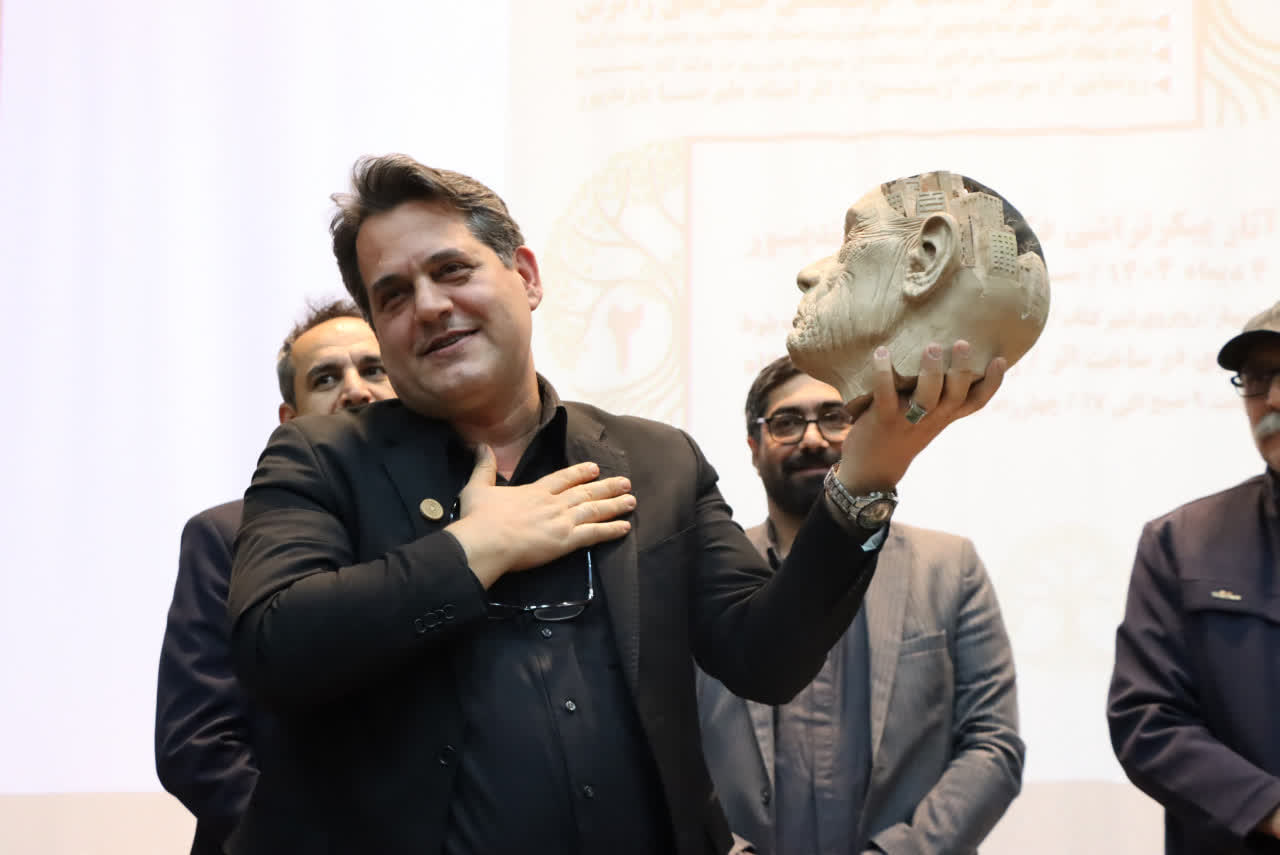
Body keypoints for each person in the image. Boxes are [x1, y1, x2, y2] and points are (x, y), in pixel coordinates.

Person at [224, 154, 1008, 855]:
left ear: (526, 275)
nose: (428, 305)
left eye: (452, 270)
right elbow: (272, 644)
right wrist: (472, 552)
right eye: (393, 294)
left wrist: (870, 471)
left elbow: (765, 656)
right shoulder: (322, 458)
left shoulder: (654, 461)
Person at [697, 355, 1023, 855]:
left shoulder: (949, 568)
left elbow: (993, 744)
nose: (812, 439)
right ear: (754, 448)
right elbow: (667, 742)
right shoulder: (706, 578)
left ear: (866, 430)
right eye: (786, 422)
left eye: (835, 417)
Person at [154, 299, 395, 855]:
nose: (356, 390)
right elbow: (198, 744)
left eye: (374, 369)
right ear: (291, 419)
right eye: (326, 378)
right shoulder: (225, 536)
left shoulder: (460, 528)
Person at [1108, 298, 1280, 855]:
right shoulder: (1180, 542)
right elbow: (1146, 721)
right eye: (1258, 379)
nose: (1274, 399)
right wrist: (1268, 808)